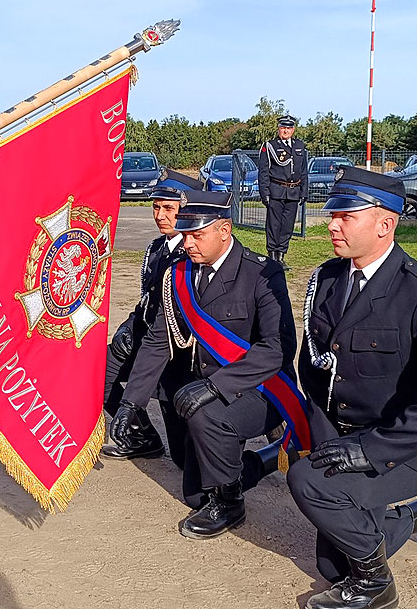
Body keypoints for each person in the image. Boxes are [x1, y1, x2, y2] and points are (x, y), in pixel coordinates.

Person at [287, 167, 417, 609]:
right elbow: (314, 369)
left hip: (407, 446)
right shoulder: (330, 278)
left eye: (346, 216)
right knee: (332, 564)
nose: (331, 224)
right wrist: (321, 436)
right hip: (344, 434)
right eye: (332, 213)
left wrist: (371, 451)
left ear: (385, 224)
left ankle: (376, 587)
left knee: (310, 485)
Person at [113, 189, 298, 539]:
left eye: (197, 235)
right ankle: (267, 459)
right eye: (185, 235)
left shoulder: (263, 274)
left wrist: (215, 387)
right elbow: (157, 340)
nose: (188, 243)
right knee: (194, 490)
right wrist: (130, 403)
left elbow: (277, 349)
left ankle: (230, 504)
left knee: (206, 421)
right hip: (204, 387)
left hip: (258, 388)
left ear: (224, 230)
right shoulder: (181, 273)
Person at [101, 169, 202, 464]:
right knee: (98, 374)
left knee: (184, 461)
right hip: (145, 341)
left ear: (186, 210)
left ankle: (270, 454)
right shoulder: (157, 248)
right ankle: (141, 435)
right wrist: (127, 330)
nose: (160, 215)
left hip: (176, 358)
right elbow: (148, 302)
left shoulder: (193, 254)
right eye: (156, 207)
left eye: (168, 208)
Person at [258, 114, 309, 263]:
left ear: (293, 130)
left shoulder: (299, 146)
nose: (285, 131)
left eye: (288, 128)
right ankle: (273, 254)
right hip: (276, 190)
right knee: (274, 224)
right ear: (278, 129)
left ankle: (281, 255)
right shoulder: (270, 146)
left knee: (287, 225)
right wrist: (264, 192)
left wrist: (304, 191)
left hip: (293, 191)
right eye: (283, 128)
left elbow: (303, 171)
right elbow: (264, 171)